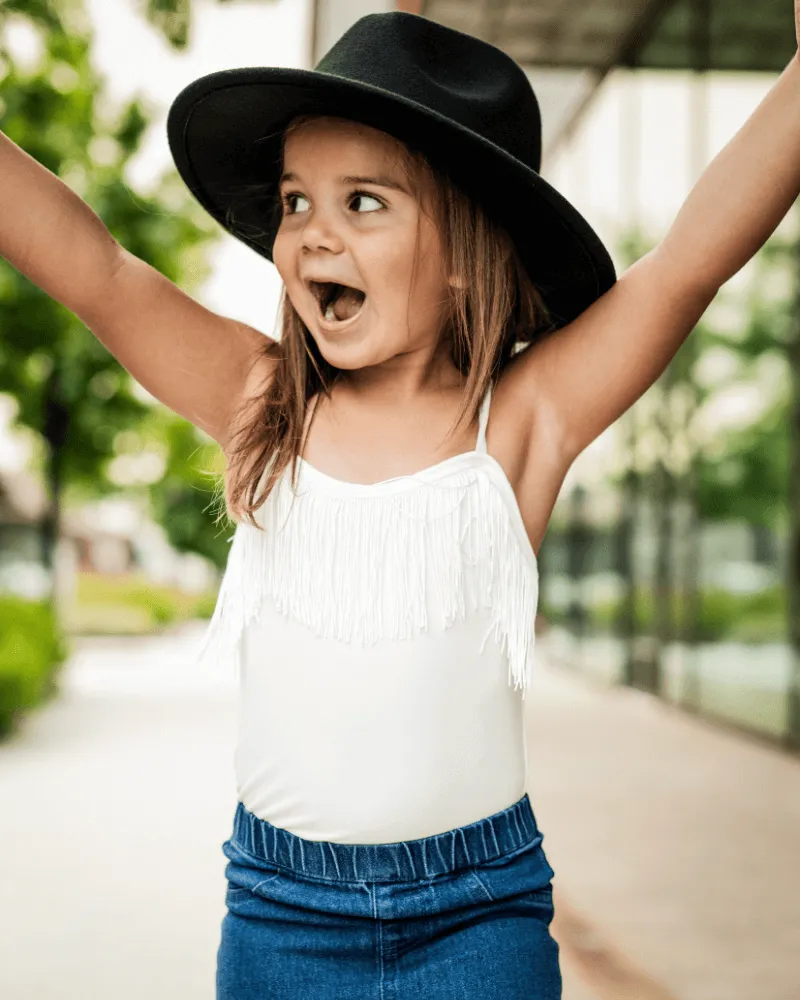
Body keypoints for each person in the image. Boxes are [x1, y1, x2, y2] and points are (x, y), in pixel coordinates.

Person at [3, 8, 800, 998]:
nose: (310, 234)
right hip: (281, 916)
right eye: (294, 201)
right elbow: (102, 275)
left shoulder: (517, 426)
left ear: (465, 250)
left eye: (362, 202)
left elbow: (685, 266)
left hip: (477, 918)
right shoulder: (262, 408)